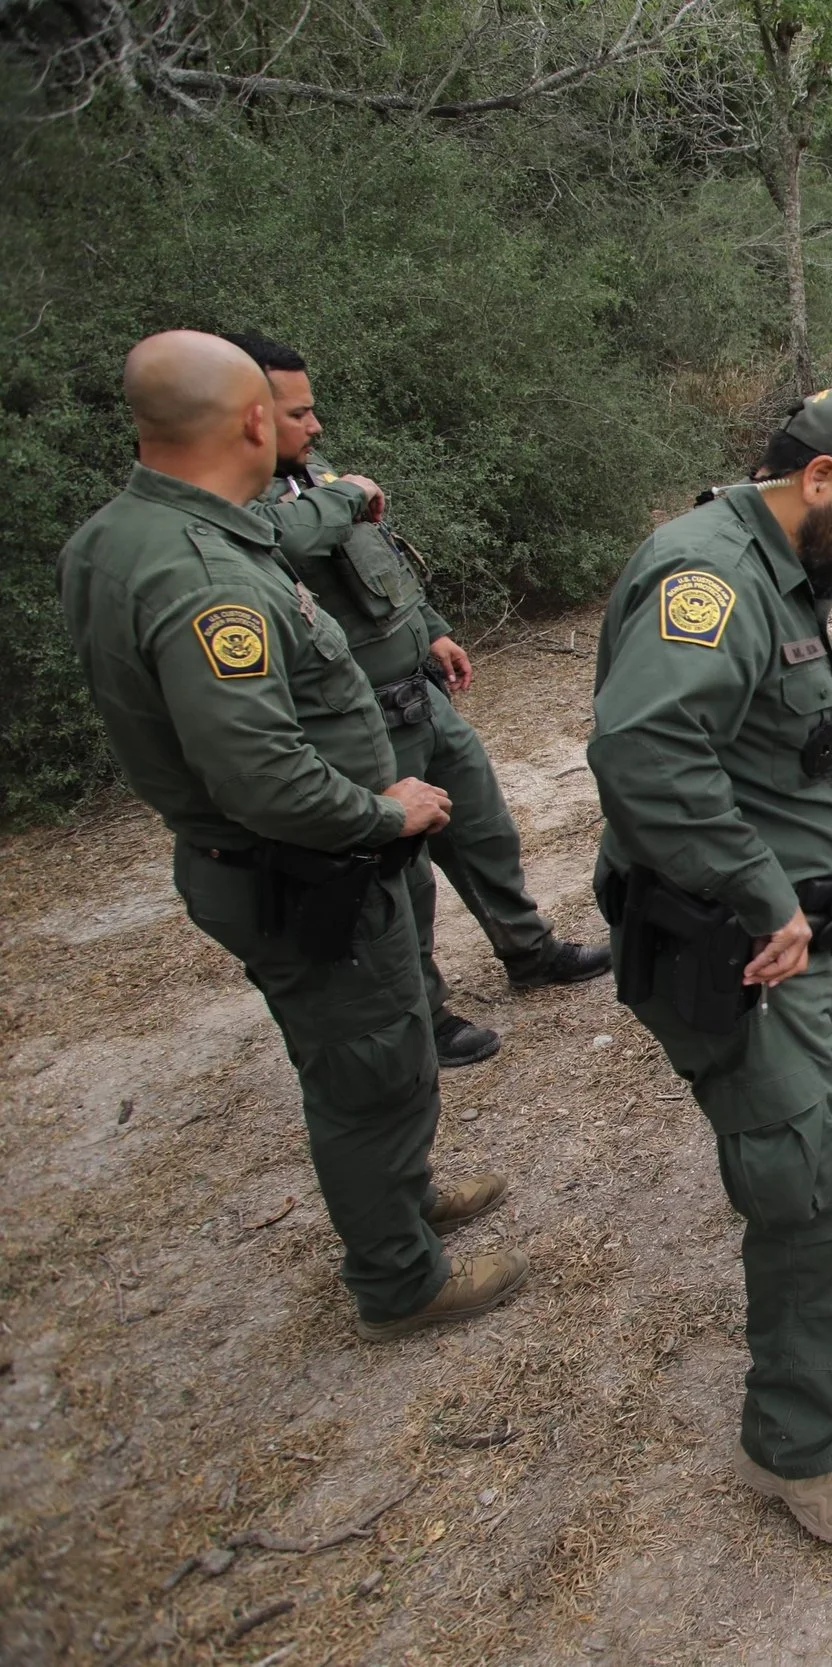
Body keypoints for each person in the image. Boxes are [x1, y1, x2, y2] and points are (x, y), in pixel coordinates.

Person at [57, 331, 523, 1344]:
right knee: (369, 1067)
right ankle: (400, 1278)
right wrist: (382, 811)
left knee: (376, 1050)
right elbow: (258, 770)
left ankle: (403, 1200)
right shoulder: (201, 575)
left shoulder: (125, 534)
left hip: (285, 862)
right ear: (255, 421)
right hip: (304, 868)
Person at [586, 387, 832, 1548]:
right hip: (741, 943)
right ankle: (794, 1445)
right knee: (806, 1189)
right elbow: (643, 751)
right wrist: (767, 894)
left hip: (801, 936)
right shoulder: (705, 579)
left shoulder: (777, 569)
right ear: (818, 479)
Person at [228, 333, 608, 1069]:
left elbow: (383, 563)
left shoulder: (319, 482)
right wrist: (344, 496)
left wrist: (432, 631)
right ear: (249, 413)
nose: (316, 427)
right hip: (356, 719)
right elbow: (281, 543)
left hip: (420, 694)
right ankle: (422, 1010)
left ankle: (529, 950)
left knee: (484, 831)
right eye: (298, 413)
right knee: (399, 872)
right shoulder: (243, 508)